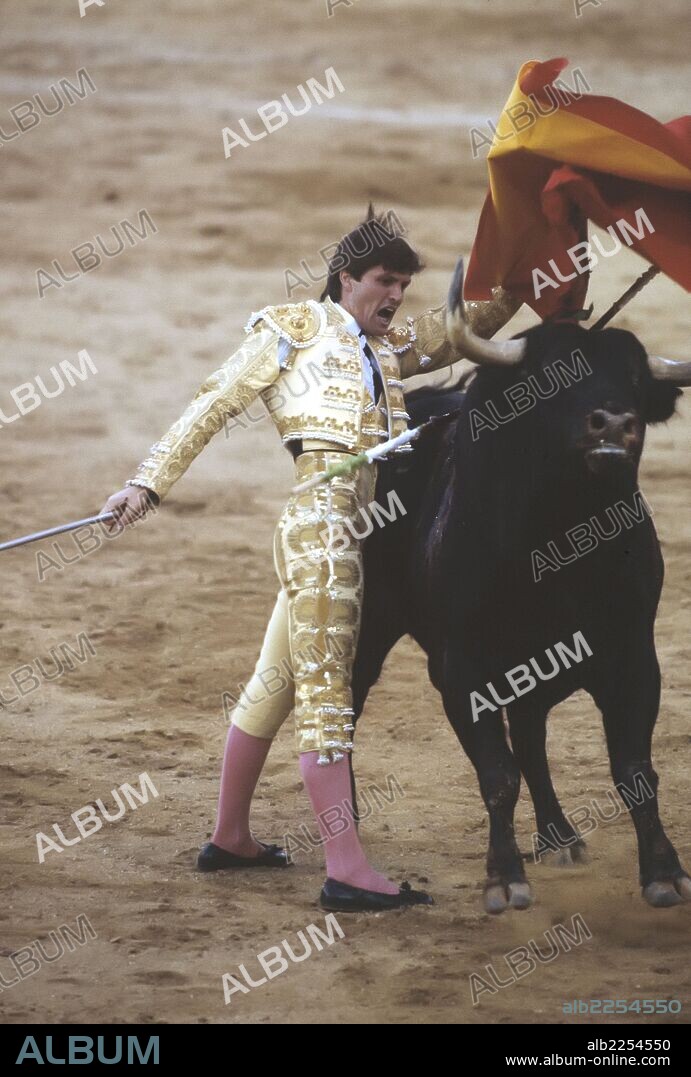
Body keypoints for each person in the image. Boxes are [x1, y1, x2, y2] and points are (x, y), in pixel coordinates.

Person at [101, 207, 518, 911]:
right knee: (327, 697)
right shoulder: (293, 328)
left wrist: (534, 268)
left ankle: (229, 835)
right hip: (320, 525)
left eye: (402, 286)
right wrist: (147, 482)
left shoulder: (385, 351)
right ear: (346, 277)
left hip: (344, 526)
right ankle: (345, 866)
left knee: (276, 680)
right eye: (383, 281)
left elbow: (458, 330)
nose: (393, 296)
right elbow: (213, 402)